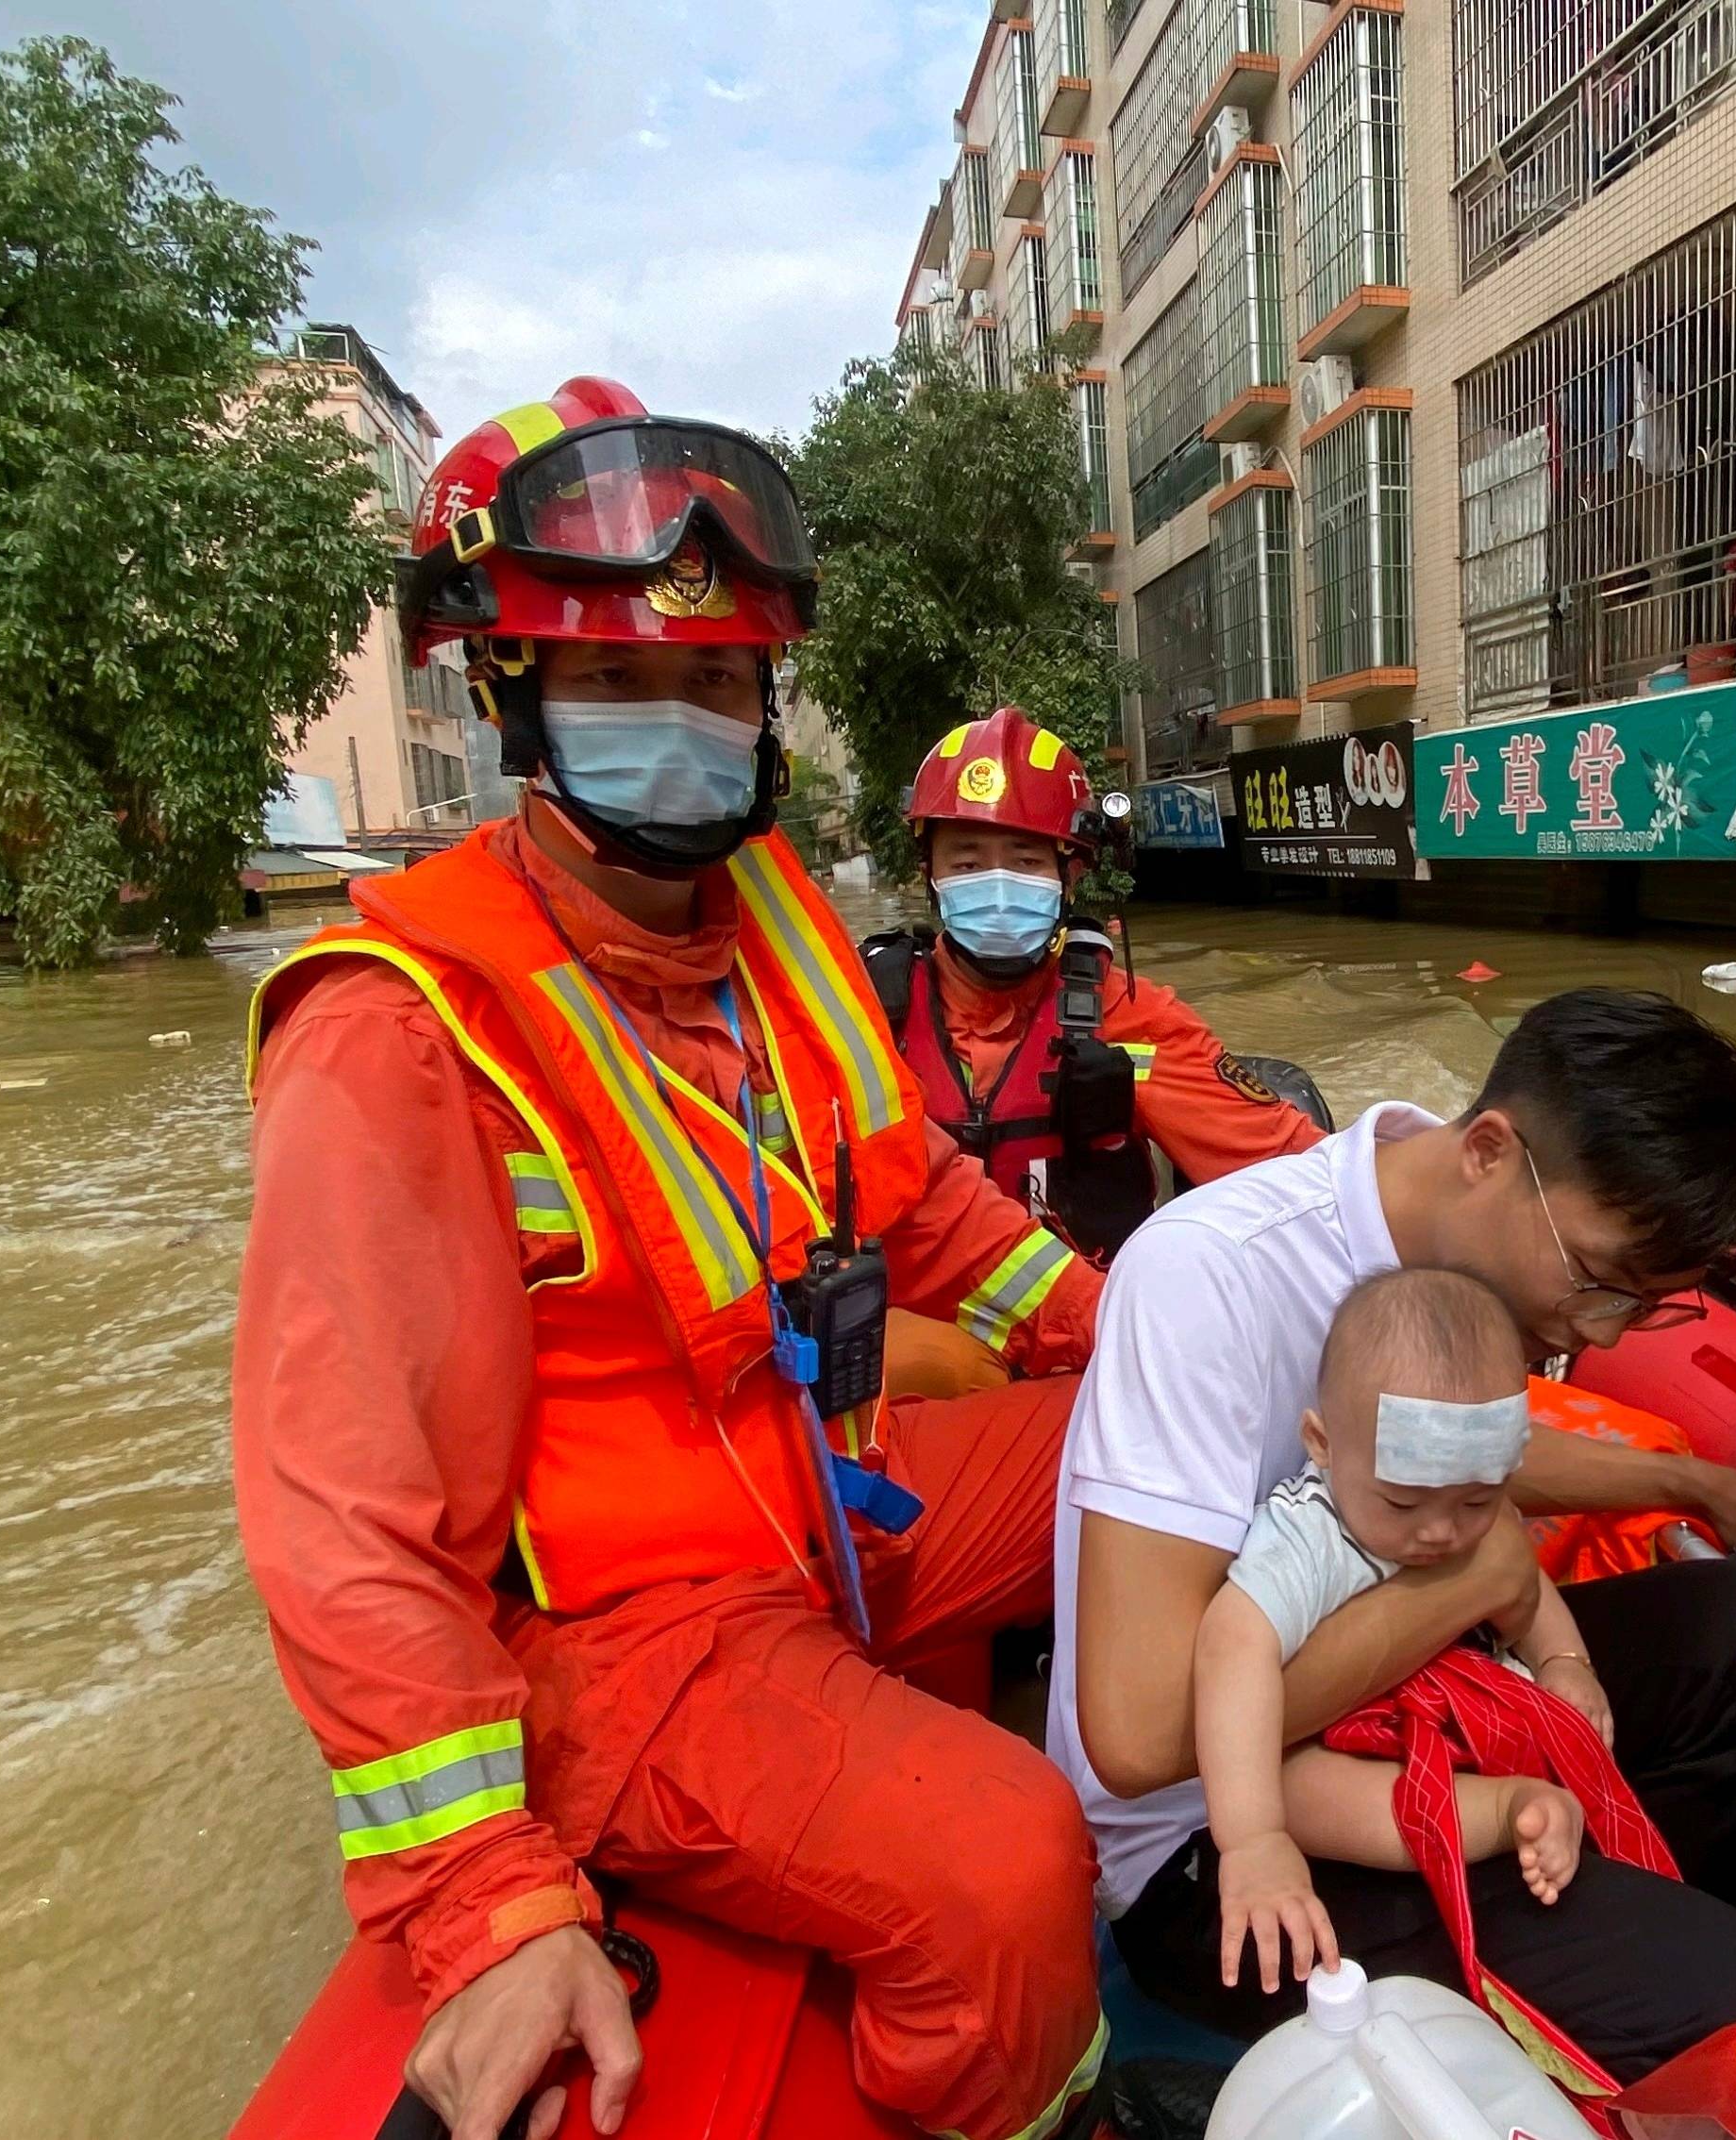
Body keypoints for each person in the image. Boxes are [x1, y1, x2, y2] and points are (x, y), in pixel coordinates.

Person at [232, 377, 1110, 2140]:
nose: (683, 723)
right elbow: (341, 1510)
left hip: (821, 1489)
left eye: (713, 682)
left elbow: (924, 1204)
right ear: (507, 696)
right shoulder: (398, 1027)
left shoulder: (770, 916)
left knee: (1183, 1432)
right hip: (622, 1639)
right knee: (1012, 1863)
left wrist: (1144, 1334)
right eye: (618, 682)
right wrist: (485, 1893)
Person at [1062, 987, 1736, 2084]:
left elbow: (1478, 1466)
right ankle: (1643, 1959)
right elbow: (1138, 1732)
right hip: (1232, 1834)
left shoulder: (1461, 1281)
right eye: (1595, 1283)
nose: (1596, 1335)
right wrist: (1467, 1584)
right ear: (1489, 1151)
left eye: (1640, 1311)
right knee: (1732, 2001)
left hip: (1425, 1696)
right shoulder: (1213, 1277)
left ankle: (1600, 1896)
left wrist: (1684, 1480)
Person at [1195, 1268, 1625, 1997]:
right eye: (1401, 1502)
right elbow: (1232, 1643)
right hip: (1336, 1752)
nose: (1438, 1530)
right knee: (1301, 1785)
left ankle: (1527, 1806)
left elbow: (1522, 1584)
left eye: (1476, 1501)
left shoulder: (1461, 1503)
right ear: (1321, 1444)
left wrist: (1562, 1658)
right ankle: (1506, 1810)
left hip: (1448, 1712)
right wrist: (1254, 1838)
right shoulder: (1309, 1538)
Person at [864, 707, 1327, 1263]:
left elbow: (1300, 1174)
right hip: (912, 1338)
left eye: (1026, 861)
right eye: (966, 864)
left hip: (1092, 1333)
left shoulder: (1132, 1017)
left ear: (1072, 876)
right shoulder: (863, 1011)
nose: (999, 887)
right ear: (928, 875)